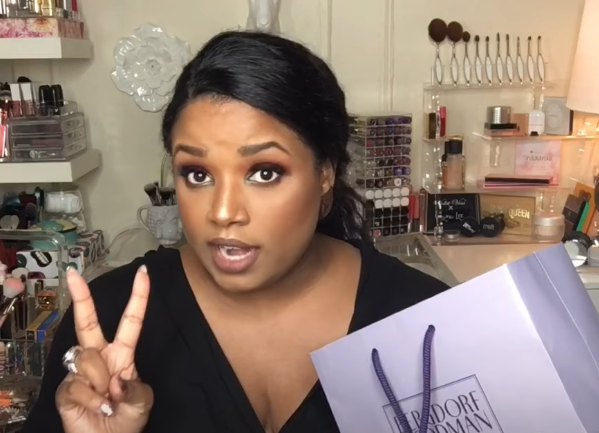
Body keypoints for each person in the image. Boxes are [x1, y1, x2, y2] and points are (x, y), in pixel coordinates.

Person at [22, 30, 449, 433]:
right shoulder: (106, 321)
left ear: (325, 173)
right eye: (197, 174)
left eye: (264, 172)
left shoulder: (425, 321)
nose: (223, 212)